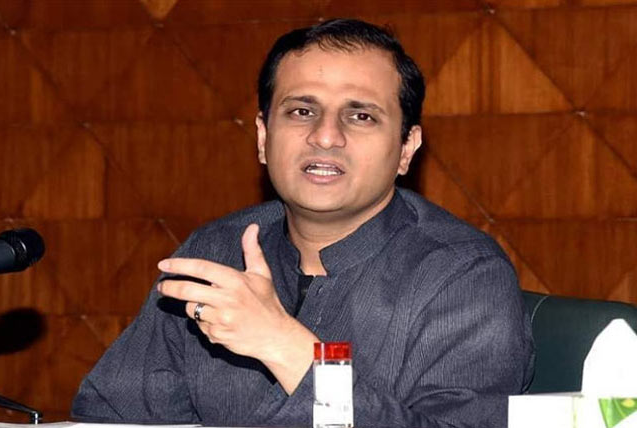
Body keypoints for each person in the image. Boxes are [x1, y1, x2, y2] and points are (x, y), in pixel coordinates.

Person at [71, 18, 534, 428]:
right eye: (301, 111)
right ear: (263, 137)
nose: (325, 136)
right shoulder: (215, 253)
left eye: (361, 115)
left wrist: (288, 349)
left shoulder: (461, 273)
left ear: (406, 148)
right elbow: (112, 416)